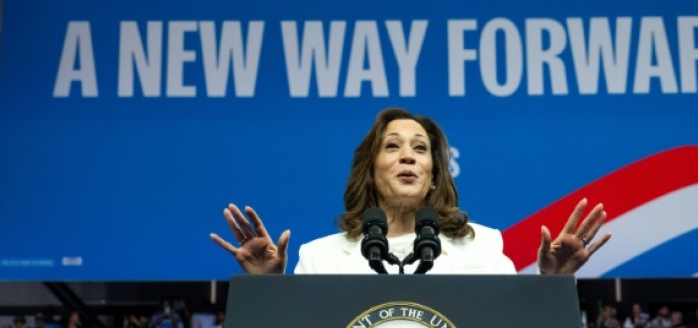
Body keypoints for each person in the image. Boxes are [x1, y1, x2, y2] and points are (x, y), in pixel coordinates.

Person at [211, 108, 610, 276]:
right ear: (371, 170)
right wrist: (268, 291)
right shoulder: (320, 257)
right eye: (392, 147)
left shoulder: (484, 248)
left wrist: (552, 284)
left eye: (420, 149)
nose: (408, 157)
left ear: (434, 175)